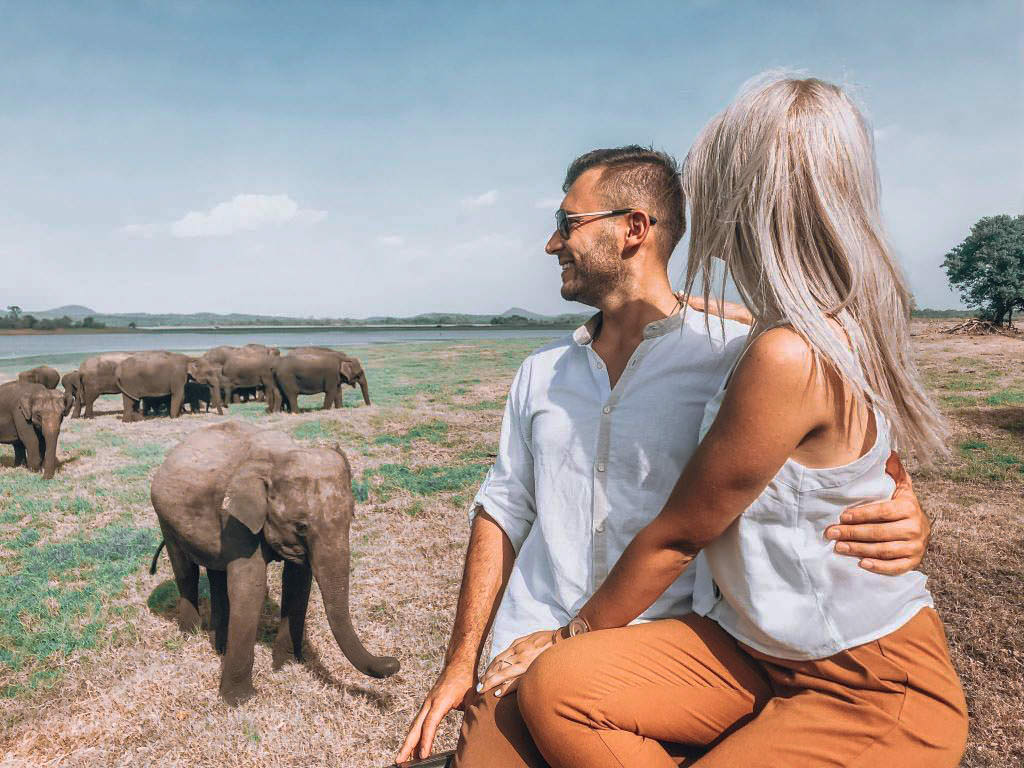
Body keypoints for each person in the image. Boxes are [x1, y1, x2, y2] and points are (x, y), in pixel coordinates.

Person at [396, 142, 934, 766]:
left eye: (567, 225)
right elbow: (503, 508)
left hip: (679, 651)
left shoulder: (734, 359)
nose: (551, 245)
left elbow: (846, 453)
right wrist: (459, 664)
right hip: (527, 645)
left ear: (633, 229)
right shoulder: (539, 374)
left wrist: (905, 505)